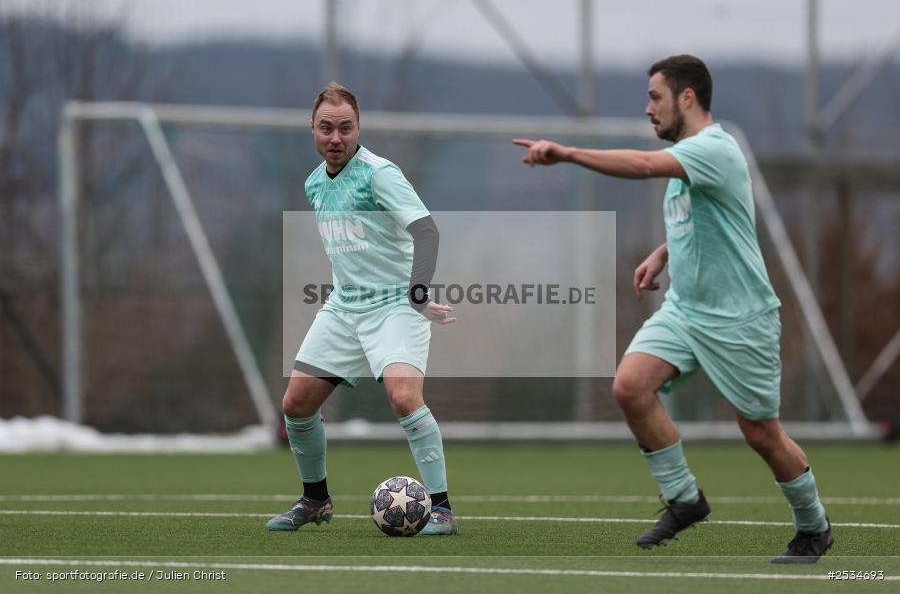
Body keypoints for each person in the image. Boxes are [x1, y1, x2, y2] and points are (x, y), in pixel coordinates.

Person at [514, 55, 832, 563]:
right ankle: (684, 499)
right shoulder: (691, 155)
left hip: (739, 318)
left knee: (761, 433)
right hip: (685, 311)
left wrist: (568, 153)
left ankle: (814, 527)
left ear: (687, 97)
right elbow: (710, 217)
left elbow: (641, 166)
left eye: (655, 97)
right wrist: (663, 253)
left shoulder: (714, 149)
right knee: (629, 386)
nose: (647, 109)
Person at [267, 83, 458, 535]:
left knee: (404, 397)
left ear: (358, 129)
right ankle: (315, 501)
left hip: (395, 305)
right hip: (344, 307)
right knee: (296, 404)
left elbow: (427, 232)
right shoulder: (315, 182)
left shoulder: (379, 174)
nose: (336, 138)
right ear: (312, 129)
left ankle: (443, 510)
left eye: (345, 128)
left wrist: (417, 295)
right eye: (326, 128)